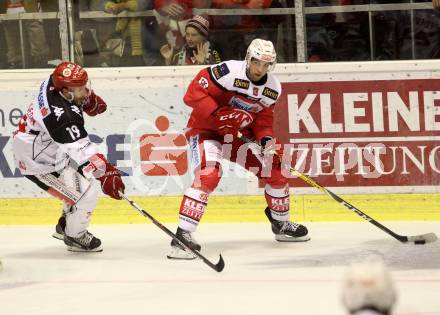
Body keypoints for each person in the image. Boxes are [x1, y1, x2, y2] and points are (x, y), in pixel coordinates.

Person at [167, 38, 309, 259]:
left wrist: (265, 141)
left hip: (237, 138)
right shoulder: (228, 72)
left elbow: (262, 119)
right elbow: (192, 93)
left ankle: (280, 224)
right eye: (256, 62)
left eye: (266, 64)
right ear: (248, 58)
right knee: (208, 176)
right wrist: (216, 114)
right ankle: (182, 235)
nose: (260, 68)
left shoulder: (273, 88)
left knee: (275, 170)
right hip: (206, 132)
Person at [11, 61, 125, 252]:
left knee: (79, 184)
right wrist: (107, 174)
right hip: (39, 163)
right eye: (81, 89)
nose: (85, 91)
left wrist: (86, 99)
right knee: (88, 194)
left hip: (45, 148)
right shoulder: (63, 118)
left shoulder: (53, 81)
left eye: (84, 86)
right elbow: (83, 150)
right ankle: (75, 236)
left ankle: (64, 225)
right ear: (66, 93)